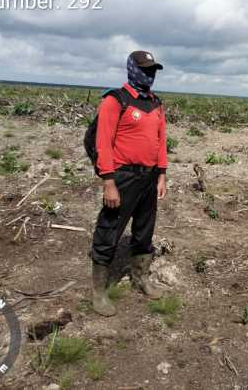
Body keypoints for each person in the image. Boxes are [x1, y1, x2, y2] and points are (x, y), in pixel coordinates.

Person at [90, 50, 168, 316]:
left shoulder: (156, 103)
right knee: (109, 229)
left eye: (153, 70)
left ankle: (140, 278)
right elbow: (102, 143)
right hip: (122, 177)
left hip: (149, 178)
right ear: (132, 69)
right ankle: (99, 292)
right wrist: (108, 182)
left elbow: (161, 141)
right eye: (145, 69)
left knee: (144, 231)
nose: (149, 74)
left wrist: (161, 174)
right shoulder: (116, 100)